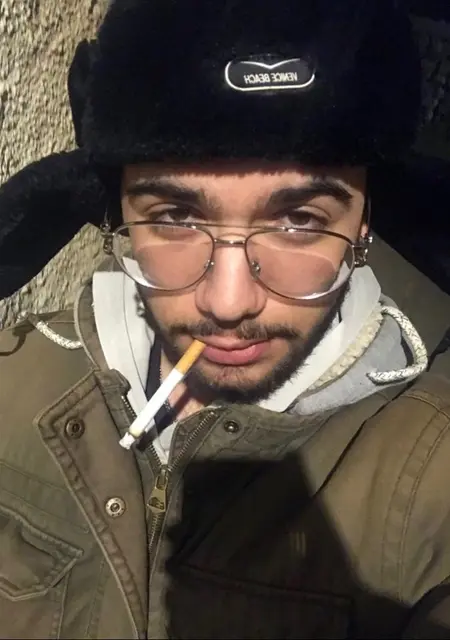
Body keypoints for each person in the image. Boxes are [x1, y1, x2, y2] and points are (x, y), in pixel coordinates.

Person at [1, 0, 450, 638]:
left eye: (299, 220)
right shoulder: (11, 381)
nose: (228, 303)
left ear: (365, 222)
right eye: (176, 217)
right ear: (116, 209)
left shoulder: (433, 479)